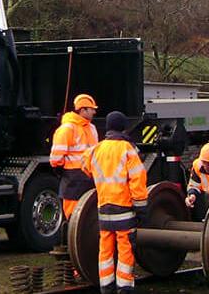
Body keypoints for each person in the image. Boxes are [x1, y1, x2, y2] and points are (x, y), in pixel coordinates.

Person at [82, 111, 147, 294]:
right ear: (123, 127)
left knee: (106, 250)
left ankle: (106, 286)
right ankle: (124, 287)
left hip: (103, 208)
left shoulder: (96, 149)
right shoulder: (127, 149)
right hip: (124, 208)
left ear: (109, 128)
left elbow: (85, 165)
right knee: (125, 248)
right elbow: (138, 178)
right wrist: (141, 207)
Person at [50, 94, 99, 223]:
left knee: (88, 216)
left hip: (89, 177)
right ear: (82, 110)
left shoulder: (92, 128)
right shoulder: (67, 129)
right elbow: (56, 158)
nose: (94, 111)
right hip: (73, 179)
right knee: (73, 217)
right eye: (91, 109)